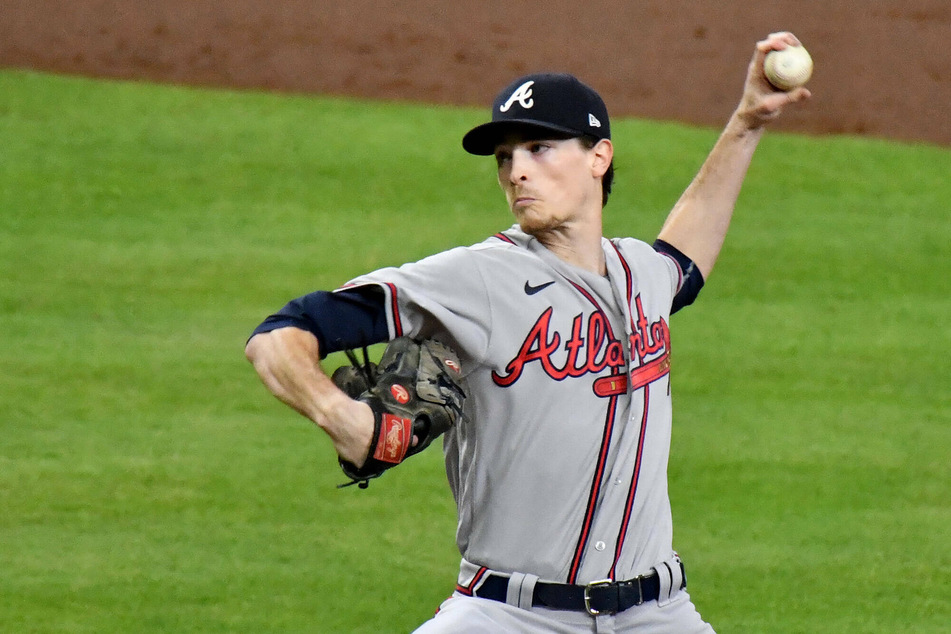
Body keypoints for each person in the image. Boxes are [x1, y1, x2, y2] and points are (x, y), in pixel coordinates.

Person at [245, 32, 810, 633]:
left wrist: (747, 124)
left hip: (658, 613)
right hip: (507, 615)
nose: (517, 172)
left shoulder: (641, 271)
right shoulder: (477, 278)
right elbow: (282, 333)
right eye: (505, 158)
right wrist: (343, 418)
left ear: (599, 157)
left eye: (540, 148)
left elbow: (685, 260)